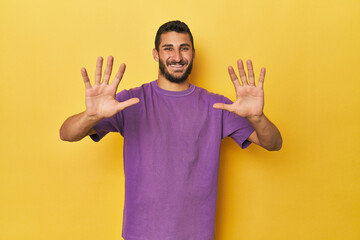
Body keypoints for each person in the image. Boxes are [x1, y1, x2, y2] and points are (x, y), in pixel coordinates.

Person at [60, 20, 282, 240]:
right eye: (169, 48)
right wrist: (91, 115)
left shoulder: (216, 106)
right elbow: (67, 134)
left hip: (198, 235)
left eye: (184, 48)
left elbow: (273, 143)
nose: (177, 57)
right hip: (141, 234)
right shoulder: (131, 101)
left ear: (193, 54)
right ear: (156, 54)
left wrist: (257, 117)